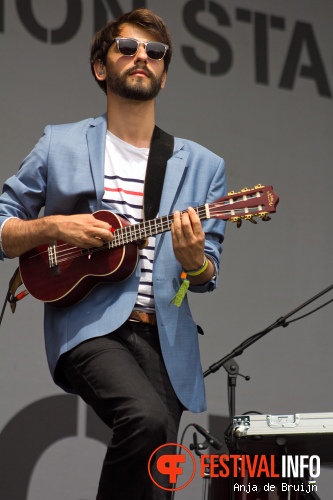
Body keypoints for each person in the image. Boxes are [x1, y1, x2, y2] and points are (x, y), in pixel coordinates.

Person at [0, 8, 226, 500]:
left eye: (156, 52)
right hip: (89, 325)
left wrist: (194, 261)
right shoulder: (59, 143)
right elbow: (3, 221)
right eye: (127, 47)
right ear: (102, 67)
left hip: (165, 337)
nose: (142, 56)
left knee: (159, 474)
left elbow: (208, 272)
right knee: (143, 418)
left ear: (164, 76)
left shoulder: (205, 166)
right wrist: (56, 225)